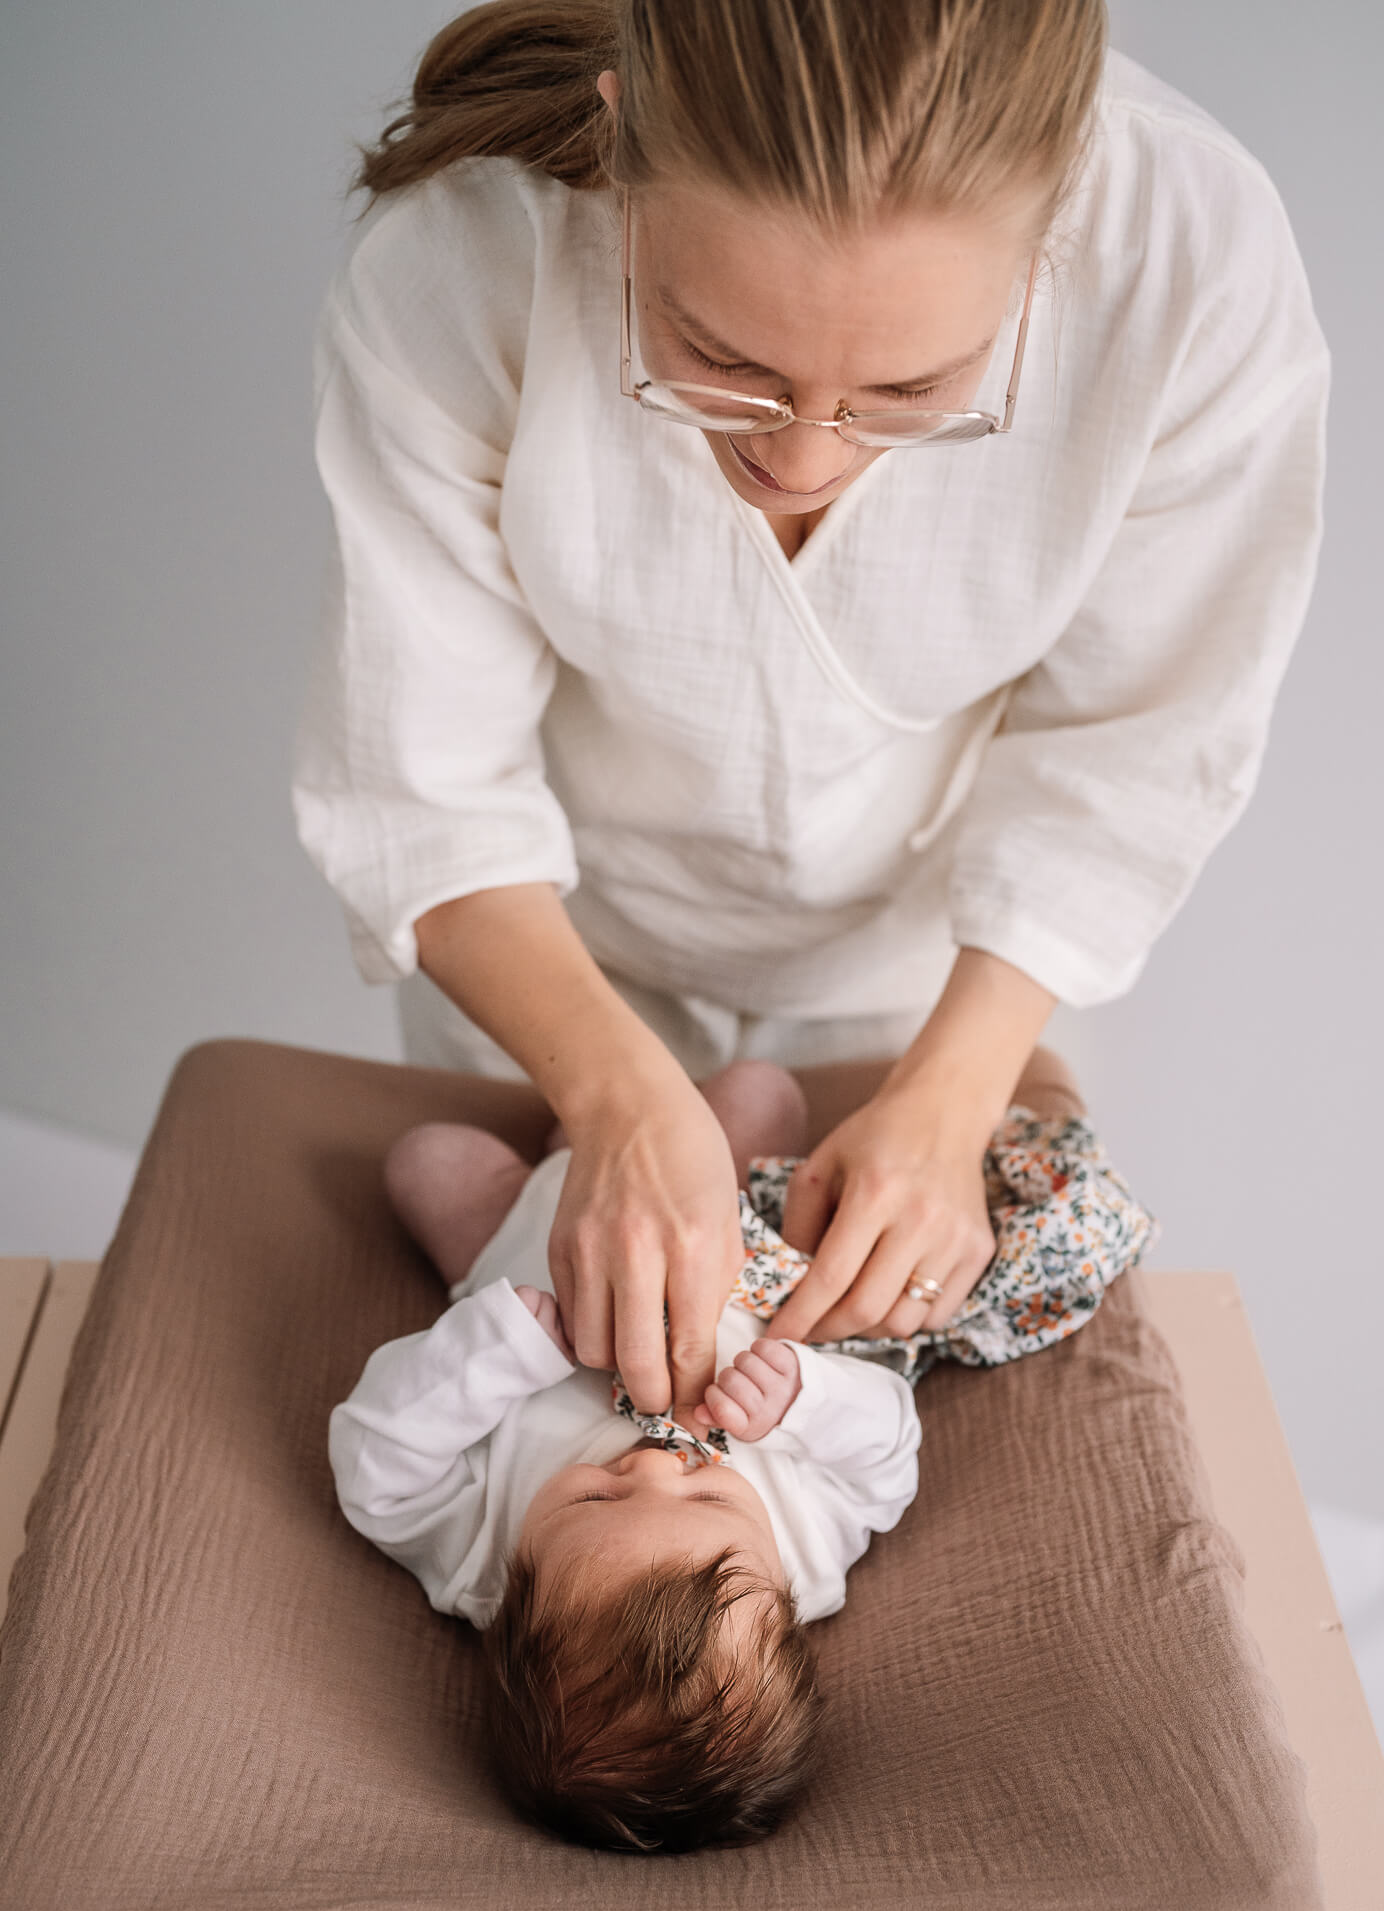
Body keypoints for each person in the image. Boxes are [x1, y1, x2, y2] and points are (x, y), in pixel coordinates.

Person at [295, 0, 1328, 1433]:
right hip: (557, 937)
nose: (802, 458)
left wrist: (956, 1098)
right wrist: (611, 1098)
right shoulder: (467, 257)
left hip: (933, 963)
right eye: (721, 358)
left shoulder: (1189, 265)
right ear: (622, 146)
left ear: (1056, 241)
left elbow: (1138, 742)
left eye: (912, 390)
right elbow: (420, 782)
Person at [328, 1054, 1155, 1850]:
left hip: (523, 1231)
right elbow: (887, 1461)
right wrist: (806, 1398)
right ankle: (615, 1119)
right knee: (758, 1093)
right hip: (713, 1210)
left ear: (506, 1609)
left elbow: (376, 1462)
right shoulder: (805, 1551)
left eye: (597, 1498)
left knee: (427, 1160)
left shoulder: (475, 1557)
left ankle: (567, 1146)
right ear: (790, 1601)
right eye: (711, 1499)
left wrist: (505, 1346)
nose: (656, 1463)